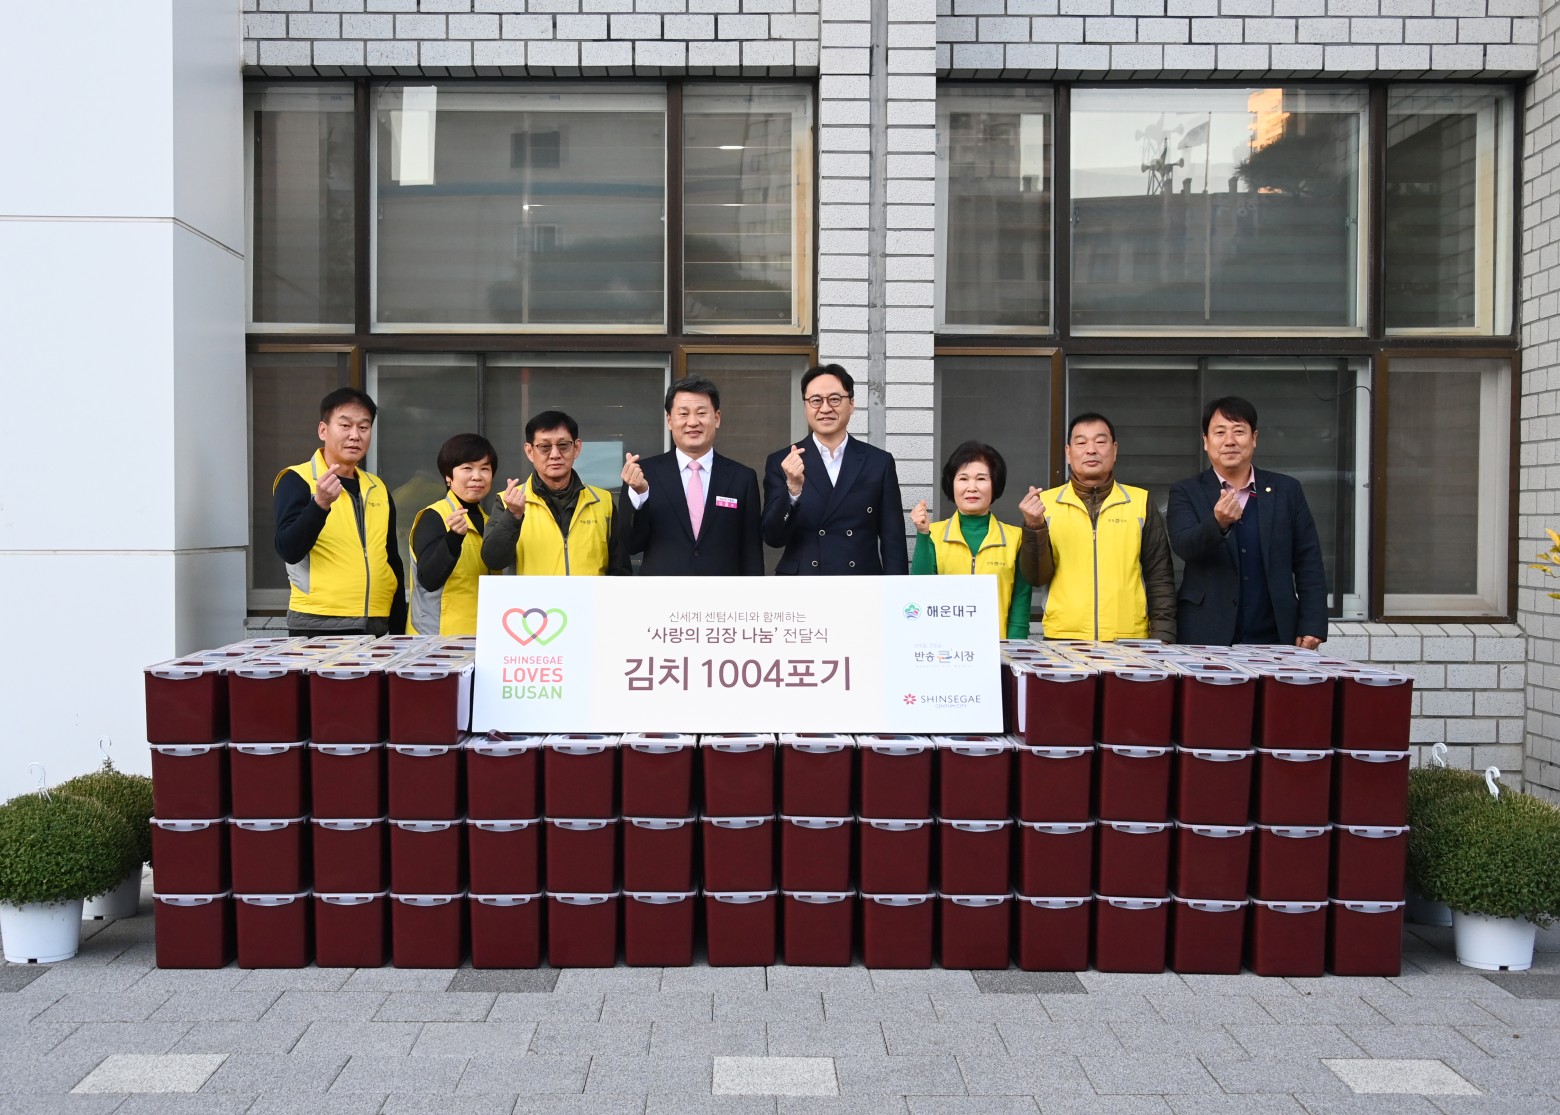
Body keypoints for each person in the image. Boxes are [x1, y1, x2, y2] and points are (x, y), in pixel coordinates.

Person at [1166, 396, 1328, 648]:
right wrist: (1217, 523)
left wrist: (1313, 623)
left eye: (1239, 431)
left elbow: (1308, 560)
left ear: (1254, 438)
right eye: (1220, 432)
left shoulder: (1286, 490)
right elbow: (1184, 546)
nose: (1229, 441)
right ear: (1206, 441)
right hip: (1206, 631)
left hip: (1275, 631)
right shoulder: (1186, 491)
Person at [1017, 412, 1176, 642]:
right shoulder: (1045, 505)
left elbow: (1159, 577)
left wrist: (1162, 638)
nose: (1091, 450)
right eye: (1081, 443)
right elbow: (1036, 577)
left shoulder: (1140, 502)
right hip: (1063, 640)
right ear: (1068, 453)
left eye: (1100, 442)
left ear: (1114, 450)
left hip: (1130, 641)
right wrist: (1034, 527)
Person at [273, 387, 407, 637]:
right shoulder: (297, 479)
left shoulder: (377, 487)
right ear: (323, 430)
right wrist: (320, 505)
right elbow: (288, 549)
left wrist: (400, 631)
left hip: (377, 623)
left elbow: (392, 560)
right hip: (319, 625)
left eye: (363, 427)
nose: (355, 435)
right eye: (345, 426)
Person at [761, 363, 908, 575]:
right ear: (805, 406)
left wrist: (896, 590)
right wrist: (792, 490)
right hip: (803, 582)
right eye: (816, 400)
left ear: (851, 404)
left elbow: (893, 541)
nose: (825, 408)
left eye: (835, 399)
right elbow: (773, 537)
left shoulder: (878, 462)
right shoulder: (782, 462)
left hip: (860, 582)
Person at [620, 375, 762, 576]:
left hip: (722, 593)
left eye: (701, 413)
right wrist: (640, 494)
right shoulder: (643, 474)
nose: (693, 422)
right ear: (669, 420)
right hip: (662, 592)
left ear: (717, 418)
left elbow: (751, 553)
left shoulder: (742, 478)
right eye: (683, 414)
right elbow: (631, 544)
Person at [481, 410, 630, 578]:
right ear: (529, 451)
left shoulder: (602, 501)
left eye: (563, 445)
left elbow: (620, 569)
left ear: (576, 448)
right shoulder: (509, 501)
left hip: (590, 596)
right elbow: (493, 560)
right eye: (545, 447)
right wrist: (512, 516)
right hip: (534, 596)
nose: (555, 455)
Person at [909, 441, 1031, 639]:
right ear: (952, 484)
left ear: (995, 485)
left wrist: (1013, 651)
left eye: (981, 479)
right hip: (946, 649)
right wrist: (923, 534)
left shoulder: (1016, 538)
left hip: (997, 649)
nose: (972, 487)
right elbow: (920, 591)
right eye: (963, 478)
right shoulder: (934, 534)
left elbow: (1020, 602)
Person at [408, 434, 501, 636]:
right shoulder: (434, 516)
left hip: (483, 638)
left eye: (485, 468)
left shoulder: (491, 523)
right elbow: (429, 578)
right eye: (467, 468)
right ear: (448, 476)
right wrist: (454, 538)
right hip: (438, 642)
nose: (477, 476)